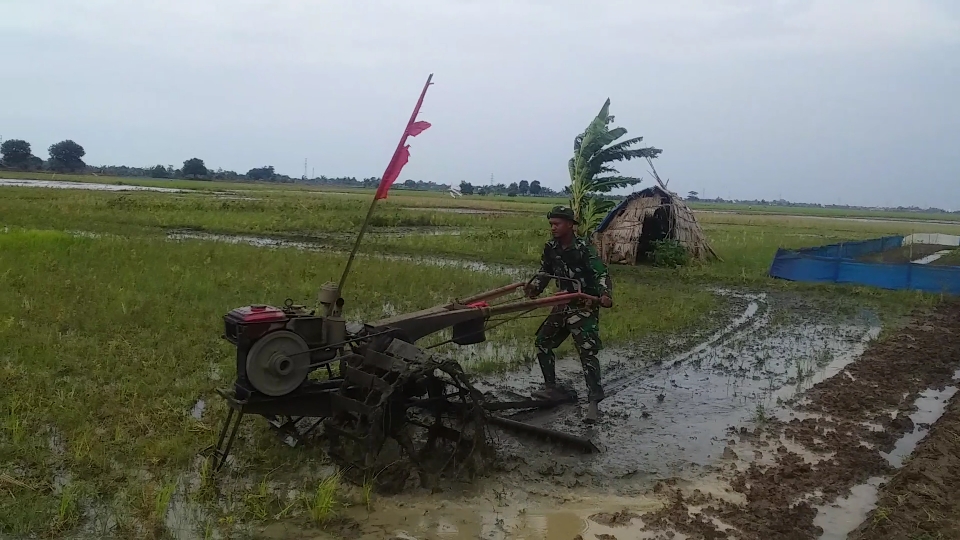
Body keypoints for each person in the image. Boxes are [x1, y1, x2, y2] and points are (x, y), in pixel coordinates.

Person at [524, 205, 612, 423]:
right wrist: (535, 288)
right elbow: (545, 271)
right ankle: (551, 388)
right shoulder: (551, 247)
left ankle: (594, 402)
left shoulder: (584, 248)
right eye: (551, 224)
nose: (553, 228)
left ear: (570, 225)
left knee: (587, 352)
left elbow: (600, 272)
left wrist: (605, 294)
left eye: (557, 224)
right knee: (543, 342)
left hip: (583, 305)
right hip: (562, 304)